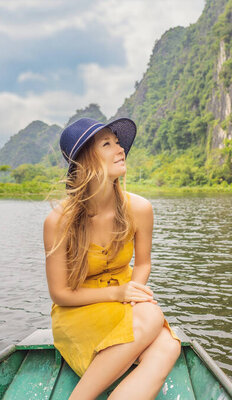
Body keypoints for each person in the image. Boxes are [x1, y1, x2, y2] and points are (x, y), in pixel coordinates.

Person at [43, 117, 181, 399]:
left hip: (126, 300)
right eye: (107, 144)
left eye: (118, 143)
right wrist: (118, 293)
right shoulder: (59, 221)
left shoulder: (140, 208)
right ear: (84, 163)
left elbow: (142, 263)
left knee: (168, 346)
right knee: (152, 317)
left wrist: (133, 294)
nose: (120, 150)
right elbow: (60, 294)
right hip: (80, 308)